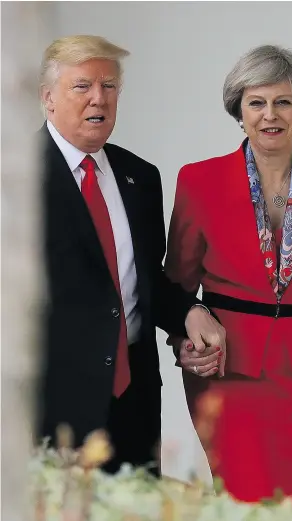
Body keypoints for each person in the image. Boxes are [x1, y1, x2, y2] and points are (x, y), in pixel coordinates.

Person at [165, 44, 292, 504]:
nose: (269, 115)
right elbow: (175, 287)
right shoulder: (199, 181)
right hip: (228, 377)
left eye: (283, 102)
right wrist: (183, 343)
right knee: (241, 504)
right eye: (257, 102)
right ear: (239, 109)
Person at [36, 34, 226, 475]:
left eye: (109, 86)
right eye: (82, 86)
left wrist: (190, 311)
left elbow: (143, 280)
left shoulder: (139, 176)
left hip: (134, 403)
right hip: (52, 409)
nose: (98, 98)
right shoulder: (16, 178)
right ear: (47, 98)